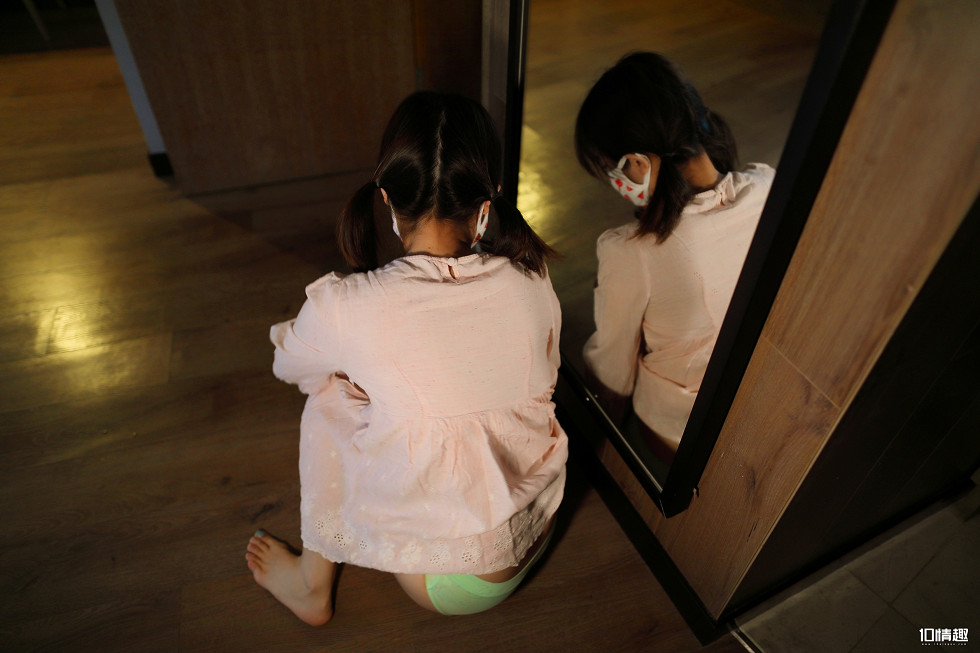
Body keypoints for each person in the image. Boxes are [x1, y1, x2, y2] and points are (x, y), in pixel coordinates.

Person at [246, 91, 567, 624]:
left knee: (330, 394)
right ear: (489, 199)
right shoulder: (530, 275)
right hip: (539, 522)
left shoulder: (348, 305)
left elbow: (293, 368)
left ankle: (311, 585)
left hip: (452, 581)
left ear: (387, 197)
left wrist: (360, 370)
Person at [574, 52, 774, 463]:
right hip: (766, 396)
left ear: (635, 163)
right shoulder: (769, 185)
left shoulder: (630, 251)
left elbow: (613, 371)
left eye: (610, 170)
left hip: (683, 427)